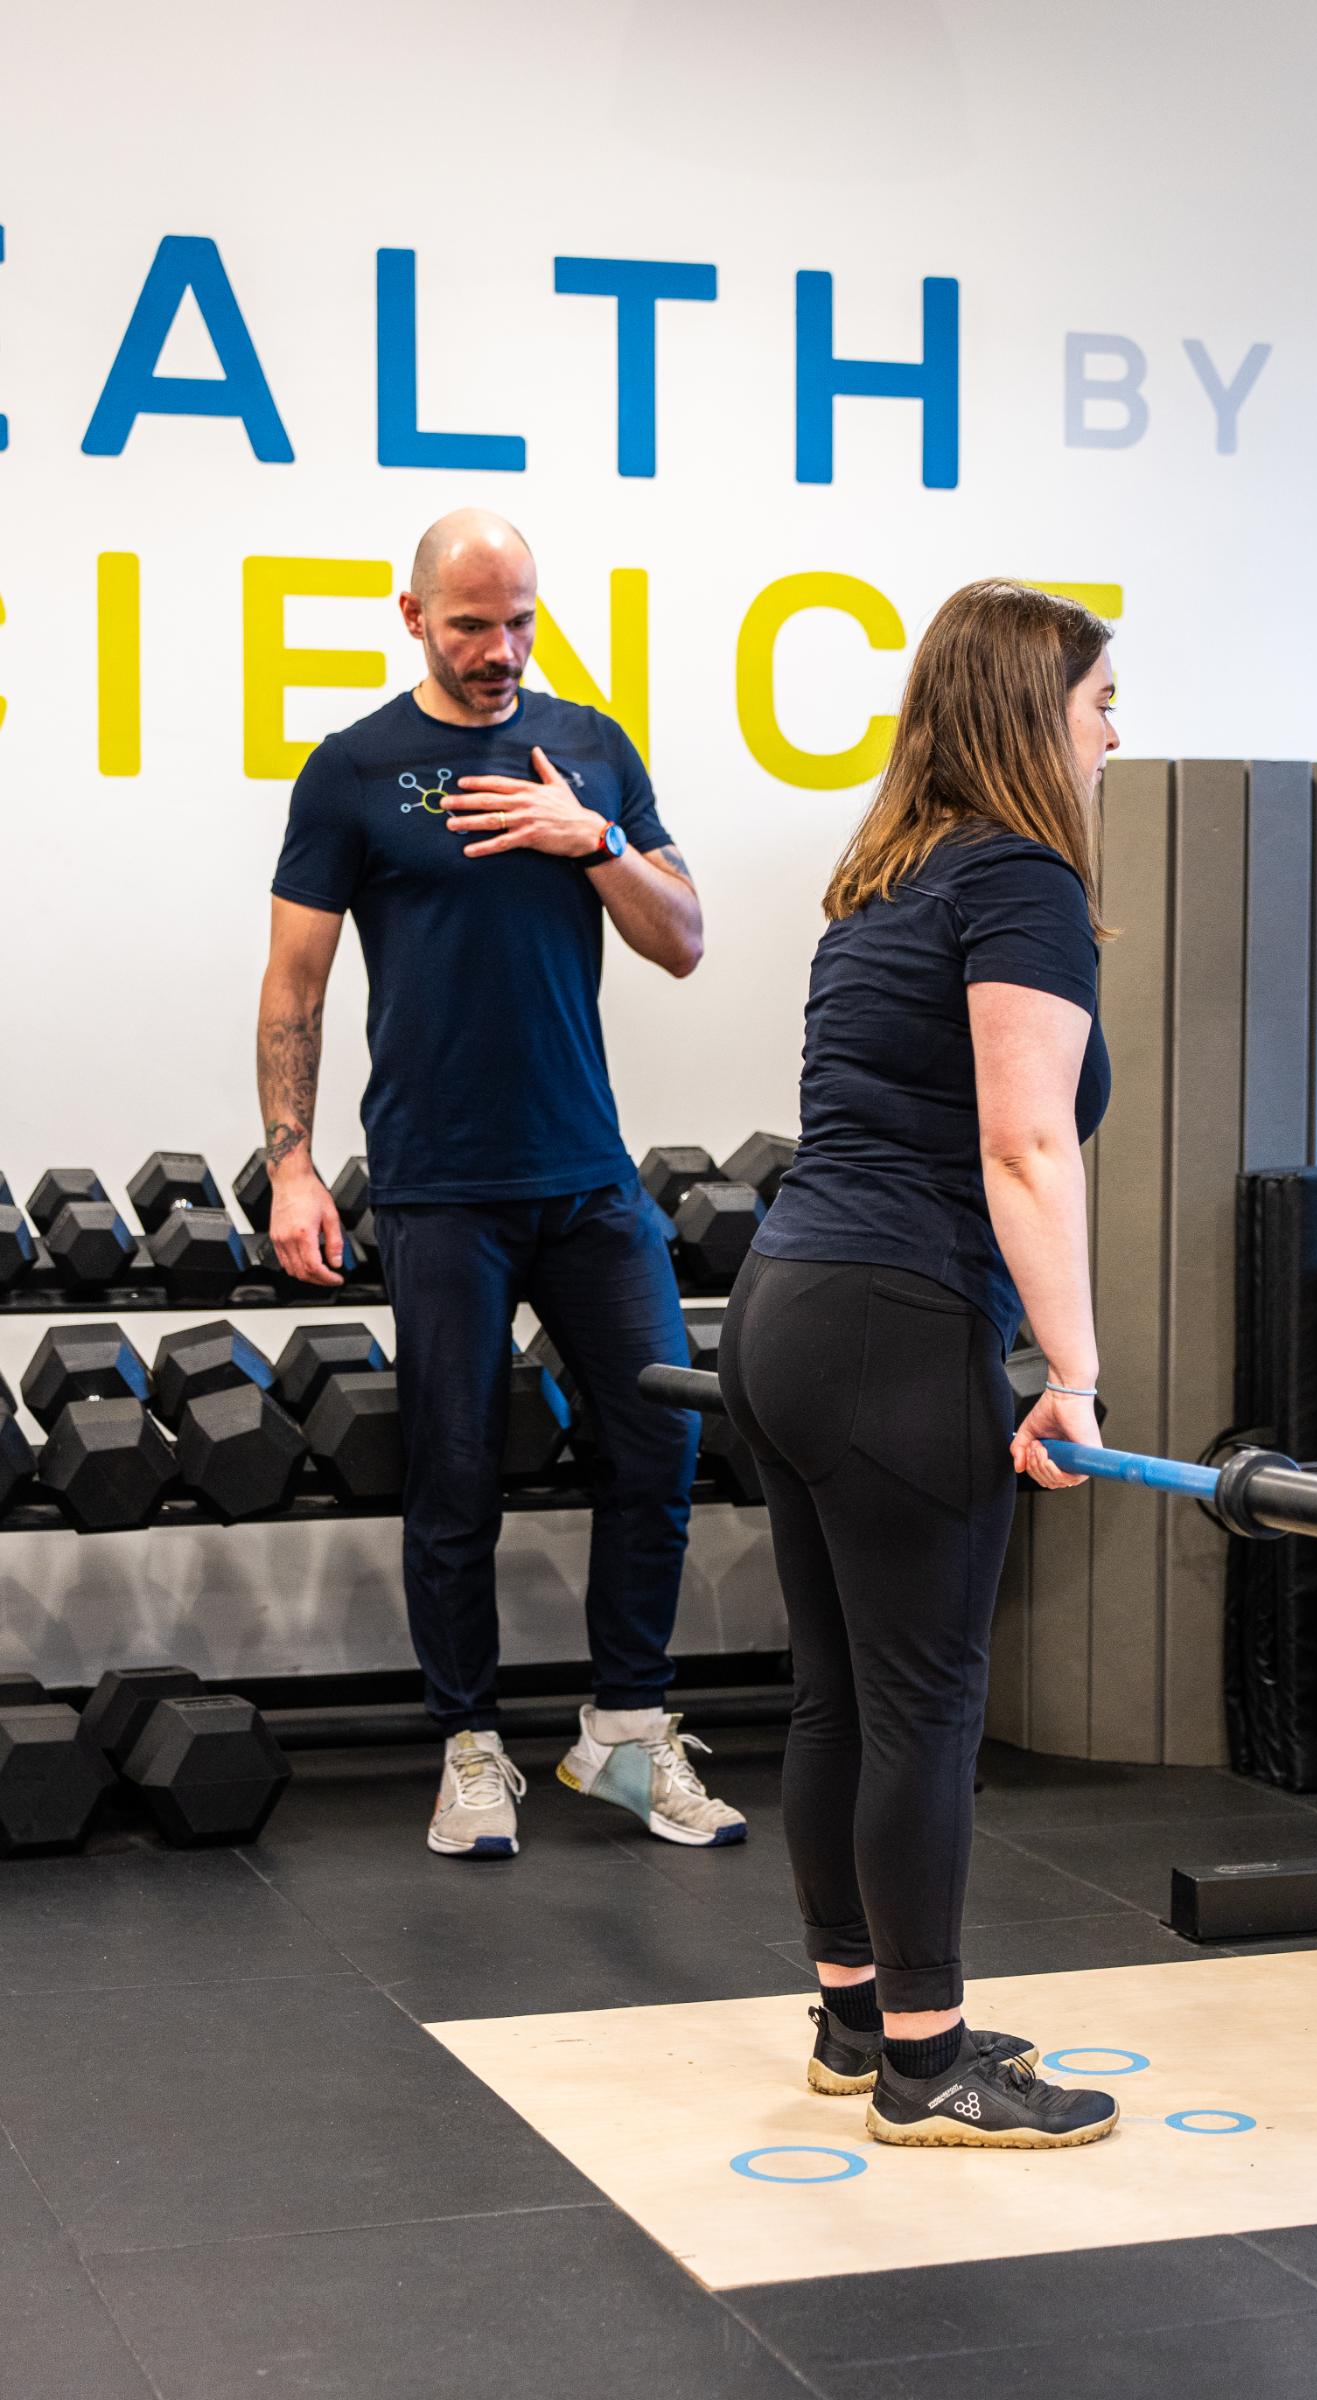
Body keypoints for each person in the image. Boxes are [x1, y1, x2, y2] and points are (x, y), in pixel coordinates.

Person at [255, 508, 745, 1859]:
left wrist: (588, 837)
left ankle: (627, 1738)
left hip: (587, 1175)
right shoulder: (352, 772)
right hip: (437, 1185)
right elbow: (294, 987)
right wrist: (294, 1168)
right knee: (456, 1473)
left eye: (520, 619)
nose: (500, 648)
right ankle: (471, 1747)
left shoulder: (588, 750)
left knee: (663, 1440)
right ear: (412, 616)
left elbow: (686, 941)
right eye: (472, 623)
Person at [719, 581, 1119, 2147]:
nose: (1114, 726)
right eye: (1097, 701)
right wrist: (1072, 1375)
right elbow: (1026, 1146)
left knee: (842, 1693)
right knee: (930, 1701)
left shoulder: (885, 874)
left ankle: (853, 2017)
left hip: (784, 1310)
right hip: (891, 1324)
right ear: (1036, 714)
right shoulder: (1017, 879)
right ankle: (928, 2062)